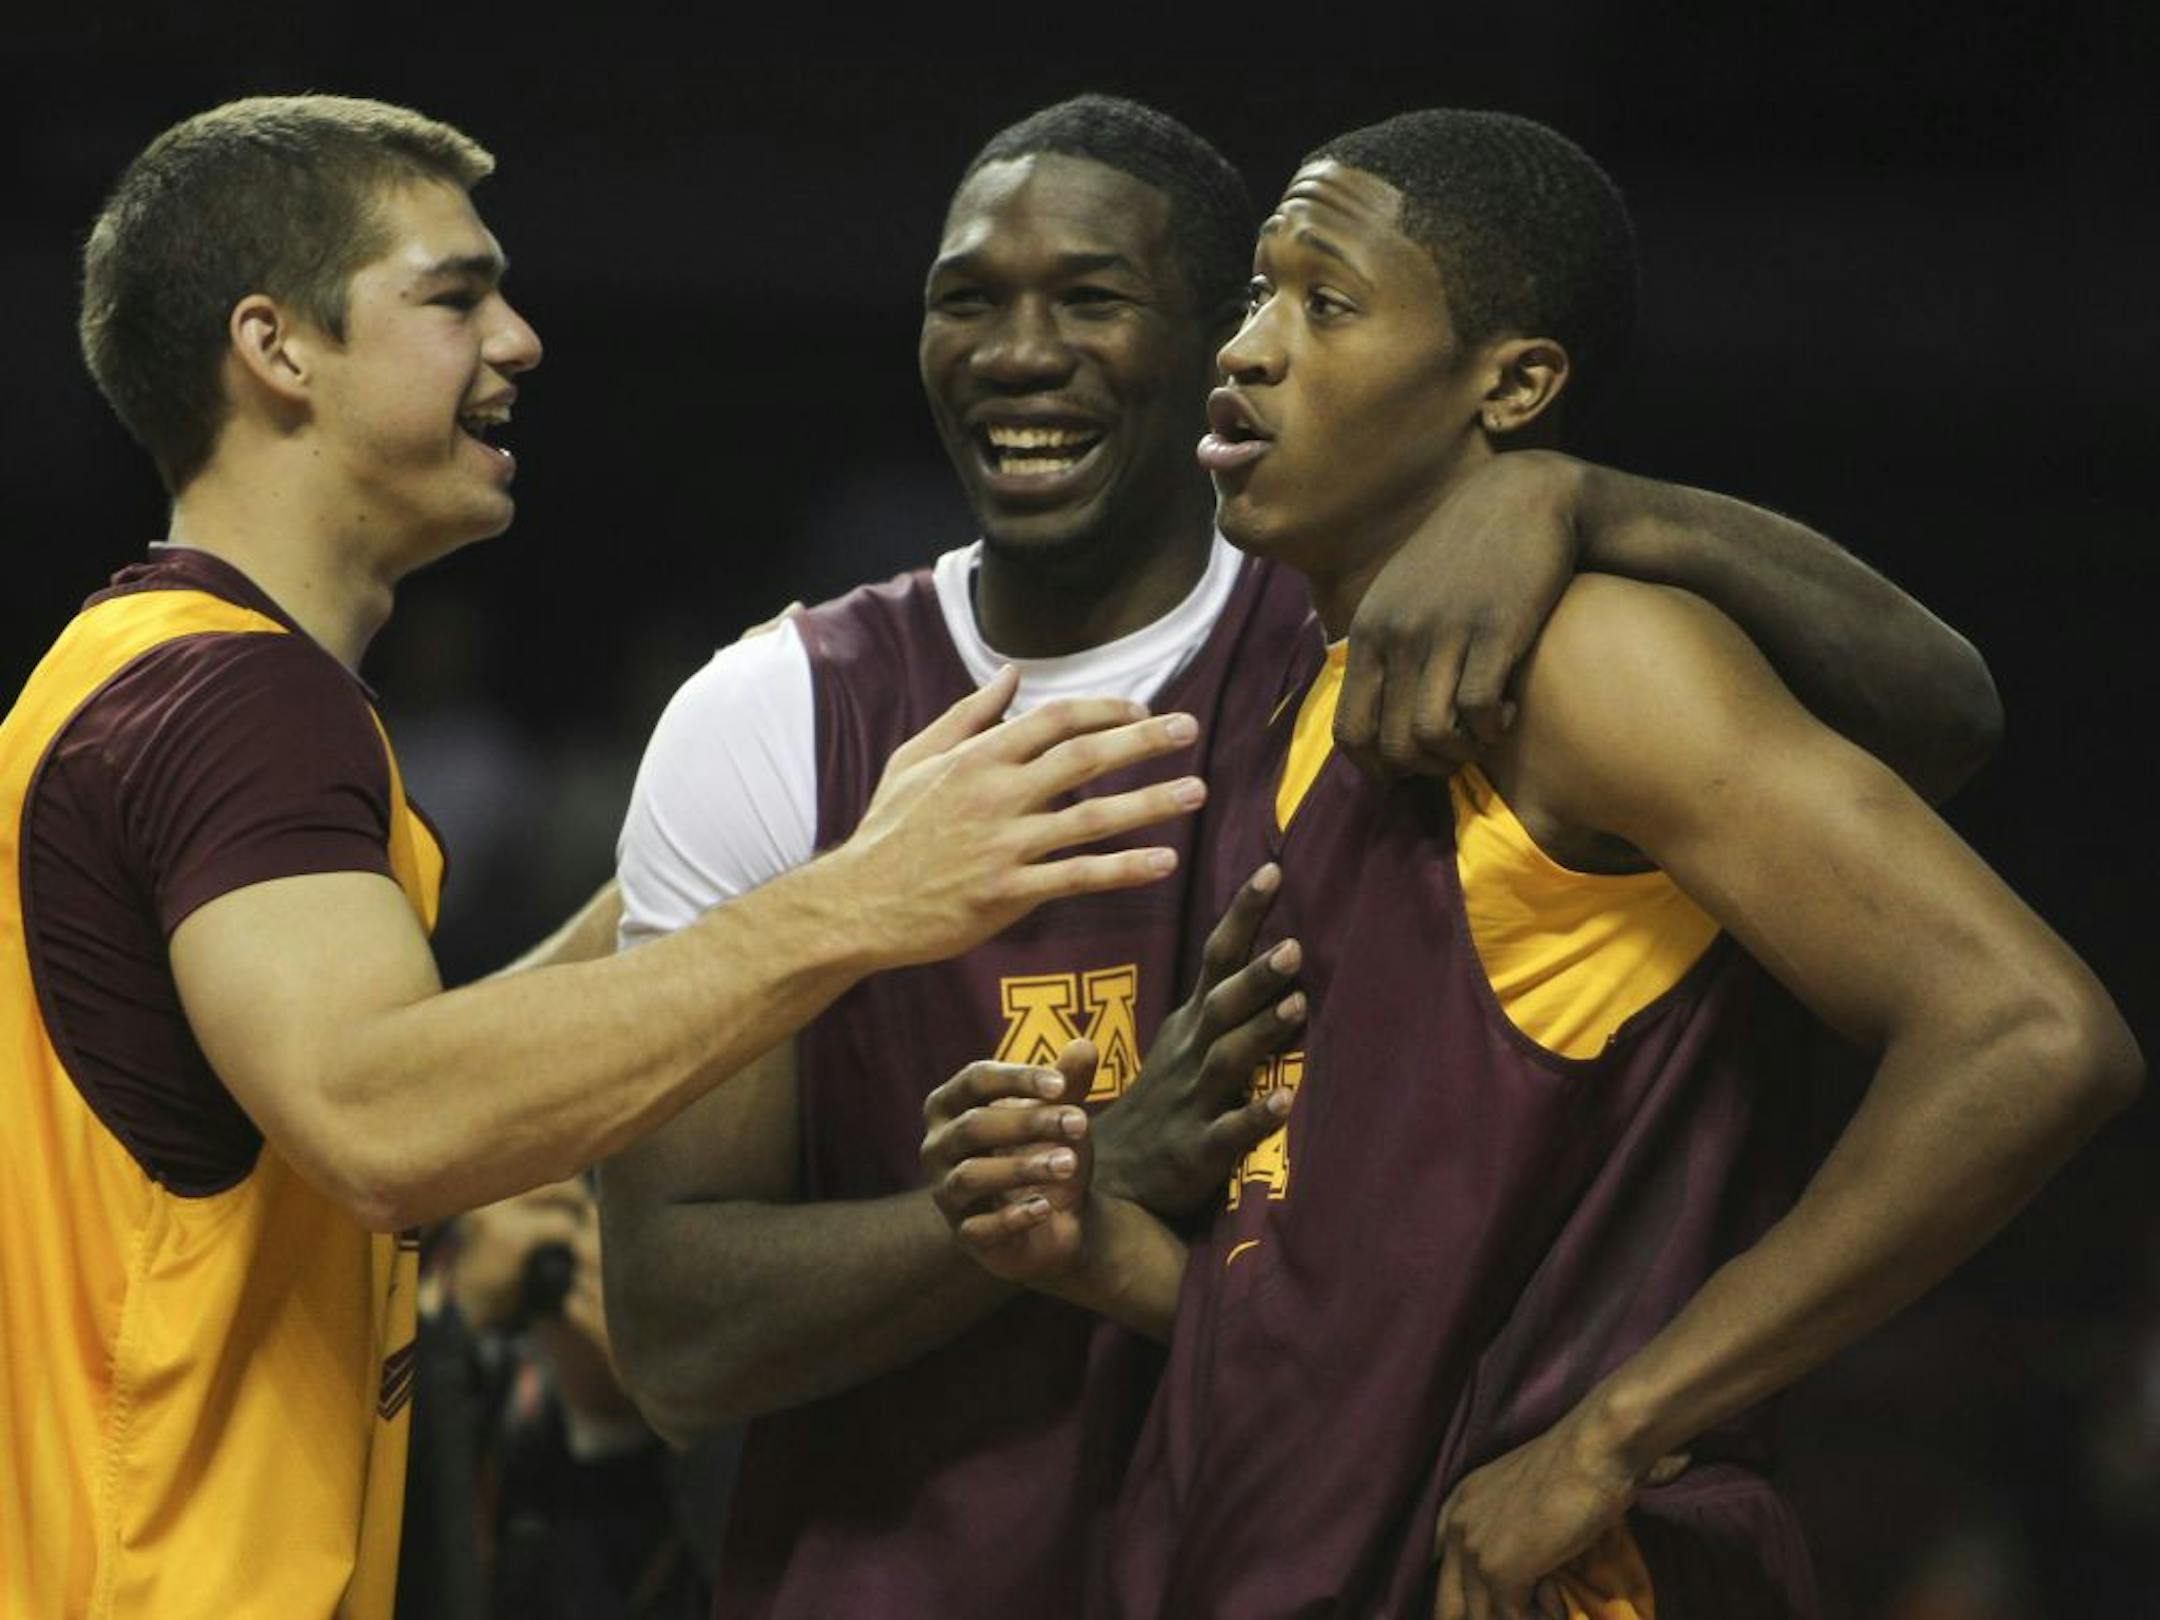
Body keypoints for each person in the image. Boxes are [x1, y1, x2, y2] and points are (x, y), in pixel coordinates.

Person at [602, 97, 2006, 1618]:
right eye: (966, 298)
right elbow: (1331, 1298)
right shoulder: (830, 707)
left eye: (1308, 303)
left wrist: (1585, 493)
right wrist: (1072, 1230)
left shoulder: (1508, 646)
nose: (1252, 345)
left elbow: (1986, 886)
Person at [0, 94, 1204, 1620]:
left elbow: (379, 1080)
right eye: (455, 296)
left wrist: (742, 863)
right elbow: (383, 1120)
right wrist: (851, 905)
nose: (520, 339)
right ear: (276, 348)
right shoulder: (239, 702)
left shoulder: (123, 668)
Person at [931, 110, 2144, 1619]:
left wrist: (1619, 1433)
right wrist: (1103, 1253)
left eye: (1327, 301)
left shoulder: (1594, 660)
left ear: (1512, 385)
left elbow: (2035, 1038)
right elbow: (1370, 1307)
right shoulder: (1313, 698)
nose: (1248, 348)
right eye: (1255, 292)